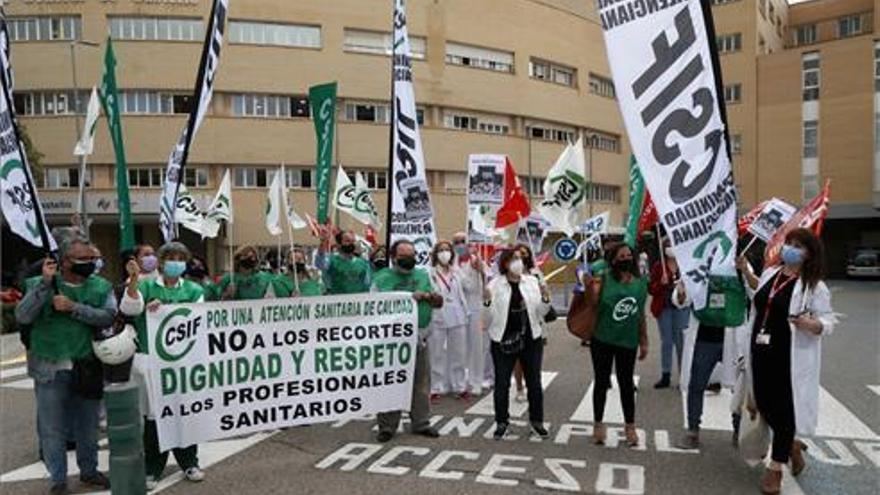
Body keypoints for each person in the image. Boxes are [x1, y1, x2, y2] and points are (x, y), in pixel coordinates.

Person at [15, 237, 114, 494]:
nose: (90, 263)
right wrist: (45, 286)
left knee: (87, 426)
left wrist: (74, 307)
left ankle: (89, 471)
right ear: (63, 262)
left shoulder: (101, 286)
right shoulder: (38, 285)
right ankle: (58, 480)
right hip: (49, 368)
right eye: (83, 259)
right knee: (52, 429)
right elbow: (23, 315)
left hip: (86, 366)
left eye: (92, 258)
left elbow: (108, 317)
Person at [742, 229, 836, 494]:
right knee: (763, 403)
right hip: (759, 348)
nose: (790, 249)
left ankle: (775, 469)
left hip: (789, 356)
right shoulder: (772, 274)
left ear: (809, 254)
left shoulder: (814, 286)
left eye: (798, 246)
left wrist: (813, 324)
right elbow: (759, 299)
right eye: (789, 244)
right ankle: (791, 444)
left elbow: (829, 321)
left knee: (784, 411)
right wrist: (747, 273)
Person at [120, 241, 206, 490]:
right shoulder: (145, 285)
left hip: (182, 363)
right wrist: (136, 285)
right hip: (150, 362)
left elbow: (198, 317)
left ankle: (189, 461)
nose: (175, 262)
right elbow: (128, 308)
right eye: (171, 257)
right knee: (154, 417)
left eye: (181, 257)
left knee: (184, 412)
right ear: (161, 261)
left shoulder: (192, 289)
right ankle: (153, 467)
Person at [372, 240, 443, 442]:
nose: (409, 259)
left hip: (419, 337)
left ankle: (421, 423)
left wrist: (427, 296)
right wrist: (407, 298)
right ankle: (387, 426)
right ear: (394, 257)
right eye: (404, 256)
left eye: (412, 255)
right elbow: (372, 309)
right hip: (391, 341)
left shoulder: (424, 275)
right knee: (390, 383)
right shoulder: (381, 278)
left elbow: (439, 301)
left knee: (421, 383)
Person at [483, 248, 551, 440]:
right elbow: (488, 319)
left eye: (521, 259)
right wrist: (486, 302)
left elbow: (541, 312)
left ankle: (537, 422)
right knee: (502, 383)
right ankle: (502, 422)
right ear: (505, 264)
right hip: (502, 339)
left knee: (534, 383)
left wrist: (546, 297)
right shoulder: (495, 285)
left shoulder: (532, 282)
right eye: (514, 259)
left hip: (531, 339)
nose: (519, 263)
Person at [586, 242, 648, 447]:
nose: (626, 259)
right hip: (602, 338)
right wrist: (590, 287)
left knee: (626, 384)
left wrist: (644, 340)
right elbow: (593, 304)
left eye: (629, 255)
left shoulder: (640, 283)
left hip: (627, 341)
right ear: (613, 260)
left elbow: (640, 314)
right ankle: (598, 425)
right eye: (621, 256)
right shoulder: (603, 279)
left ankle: (630, 427)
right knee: (601, 382)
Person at [427, 240, 470, 403]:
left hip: (458, 316)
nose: (444, 253)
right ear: (435, 254)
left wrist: (478, 269)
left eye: (447, 250)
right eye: (441, 250)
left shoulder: (457, 272)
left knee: (458, 354)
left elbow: (470, 286)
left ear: (452, 254)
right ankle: (435, 388)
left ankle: (460, 387)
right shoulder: (429, 272)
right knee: (436, 353)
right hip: (438, 315)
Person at [648, 243, 690, 389]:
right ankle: (666, 374)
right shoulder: (659, 266)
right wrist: (660, 283)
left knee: (681, 342)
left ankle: (683, 376)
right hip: (664, 308)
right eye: (668, 245)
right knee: (666, 341)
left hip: (681, 307)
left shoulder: (685, 264)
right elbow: (651, 289)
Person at [452, 232, 489, 396]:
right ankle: (461, 380)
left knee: (476, 346)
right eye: (456, 242)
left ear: (468, 243)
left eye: (462, 241)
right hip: (457, 309)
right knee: (459, 347)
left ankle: (477, 380)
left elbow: (486, 282)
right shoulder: (451, 263)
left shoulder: (476, 261)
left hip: (475, 307)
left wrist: (481, 270)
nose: (460, 244)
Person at [512, 243, 546, 403]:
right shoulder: (508, 275)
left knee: (534, 358)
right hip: (515, 321)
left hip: (534, 320)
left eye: (524, 254)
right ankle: (519, 387)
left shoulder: (536, 274)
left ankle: (533, 385)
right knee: (517, 357)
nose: (522, 258)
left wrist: (541, 292)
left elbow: (545, 297)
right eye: (518, 255)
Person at [217, 246, 283, 300]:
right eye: (246, 255)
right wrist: (227, 295)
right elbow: (216, 301)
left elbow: (271, 299)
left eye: (253, 257)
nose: (251, 259)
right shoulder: (228, 279)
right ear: (238, 259)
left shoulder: (264, 278)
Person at [317, 230, 371, 294]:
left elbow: (367, 284)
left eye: (353, 241)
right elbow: (320, 262)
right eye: (347, 241)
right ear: (339, 244)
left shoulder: (363, 263)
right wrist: (323, 242)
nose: (351, 243)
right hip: (336, 300)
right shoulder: (332, 260)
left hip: (357, 300)